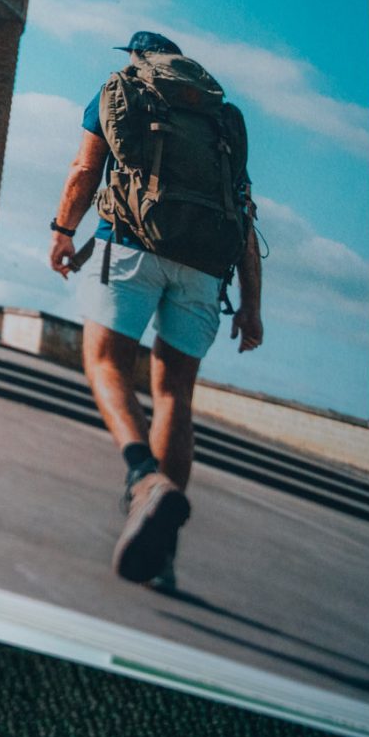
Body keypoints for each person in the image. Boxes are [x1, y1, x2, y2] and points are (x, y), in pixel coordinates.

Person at [47, 31, 263, 594]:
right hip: (205, 264)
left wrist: (63, 230)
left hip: (129, 244)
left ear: (139, 58)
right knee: (174, 395)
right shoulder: (220, 116)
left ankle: (145, 478)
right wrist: (252, 306)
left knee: (105, 362)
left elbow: (84, 168)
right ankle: (162, 555)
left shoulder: (122, 90)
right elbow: (244, 212)